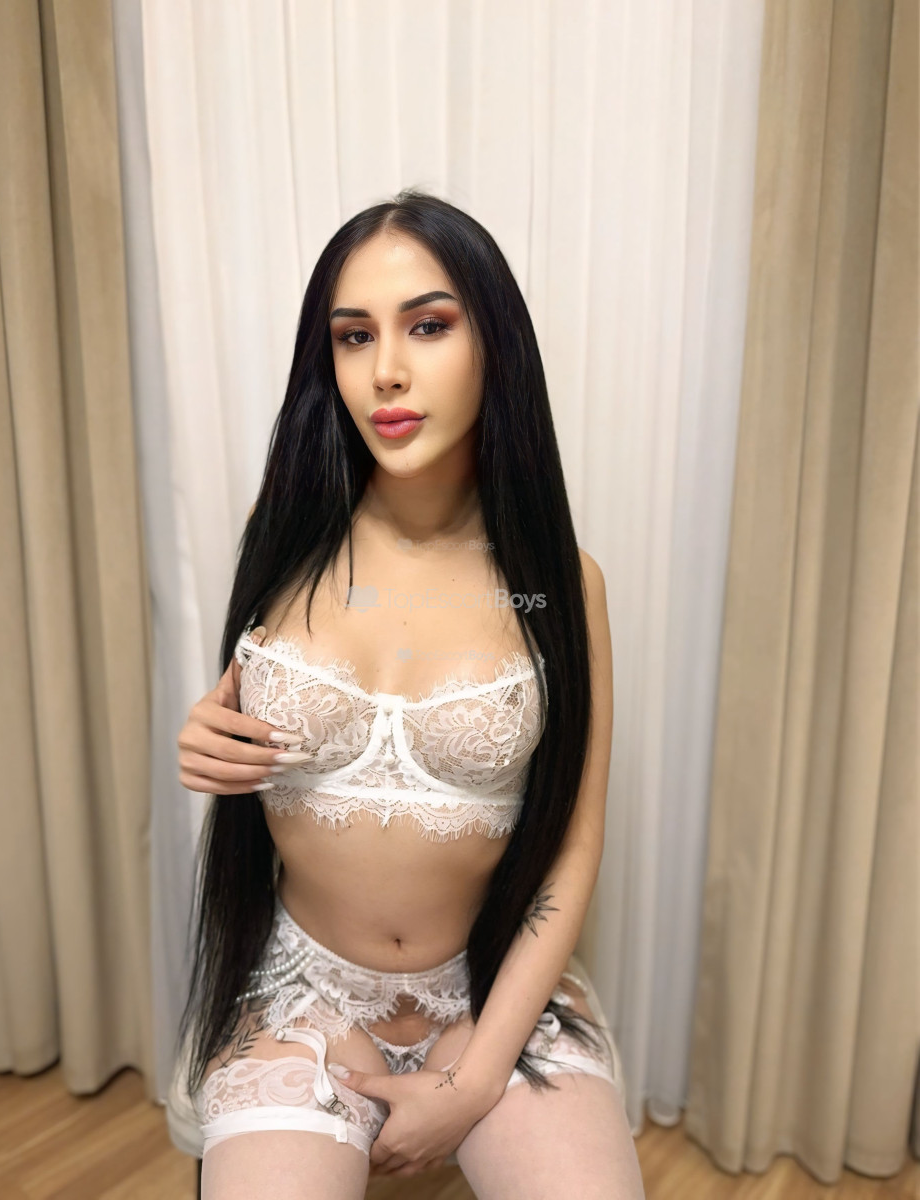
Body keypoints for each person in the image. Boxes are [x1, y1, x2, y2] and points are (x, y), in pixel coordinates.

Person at [175, 188, 646, 1198]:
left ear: (494, 345)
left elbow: (573, 846)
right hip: (304, 994)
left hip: (488, 995)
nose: (384, 369)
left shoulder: (558, 586)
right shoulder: (281, 535)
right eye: (354, 336)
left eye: (427, 326)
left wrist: (471, 1082)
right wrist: (204, 737)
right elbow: (233, 709)